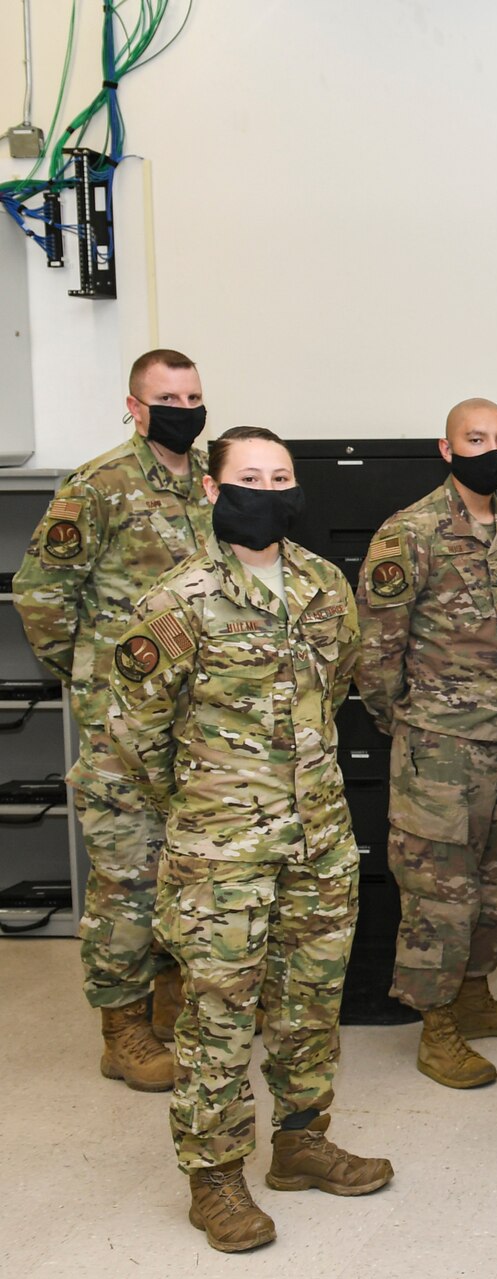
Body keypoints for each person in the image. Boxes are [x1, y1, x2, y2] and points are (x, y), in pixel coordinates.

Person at [104, 427, 392, 1254]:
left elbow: (336, 687)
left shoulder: (322, 583)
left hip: (318, 838)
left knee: (308, 1002)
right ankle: (215, 1175)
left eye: (281, 477)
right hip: (219, 848)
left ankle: (300, 1141)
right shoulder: (177, 598)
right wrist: (205, 802)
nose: (268, 491)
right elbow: (136, 734)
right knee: (218, 1013)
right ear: (212, 489)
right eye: (250, 477)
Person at [16, 348, 210, 1093]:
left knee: (185, 869)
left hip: (196, 724)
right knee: (127, 877)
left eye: (194, 394)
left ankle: (171, 1000)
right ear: (136, 406)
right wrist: (94, 678)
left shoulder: (213, 481)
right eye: (169, 395)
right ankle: (121, 1027)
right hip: (122, 729)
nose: (185, 406)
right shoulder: (100, 485)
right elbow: (42, 594)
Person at [355, 398, 497, 1089]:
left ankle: (474, 994)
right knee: (440, 895)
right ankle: (437, 1026)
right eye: (476, 438)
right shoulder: (409, 533)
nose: (492, 449)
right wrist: (408, 722)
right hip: (439, 748)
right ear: (447, 448)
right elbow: (376, 654)